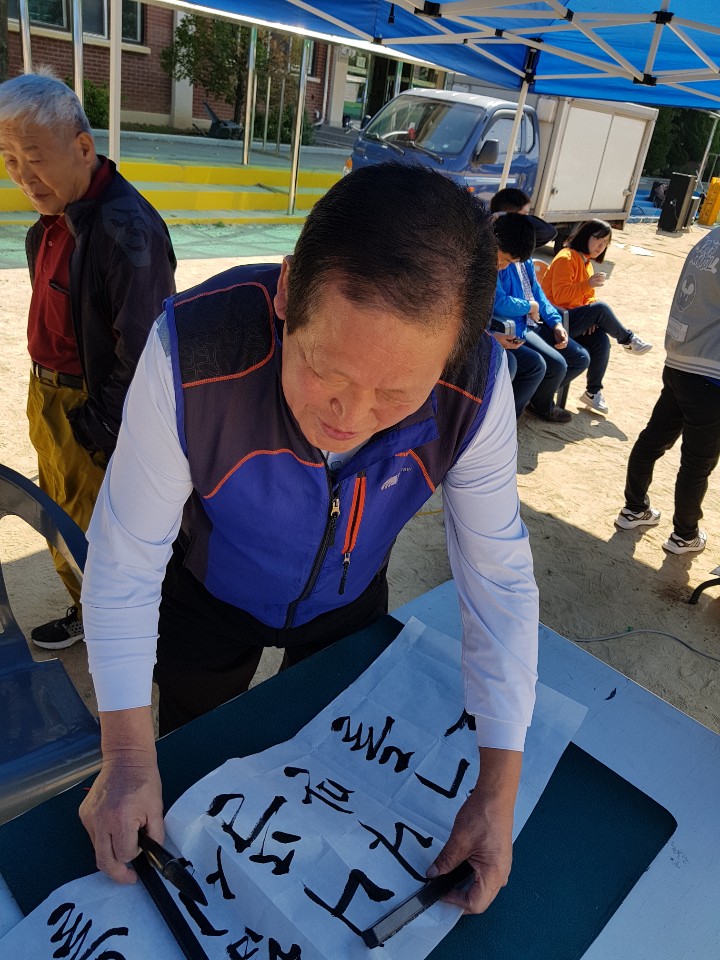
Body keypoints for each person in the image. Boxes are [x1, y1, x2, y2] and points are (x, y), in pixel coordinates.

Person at [78, 163, 539, 917]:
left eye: (397, 395)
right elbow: (126, 560)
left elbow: (499, 582)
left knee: (329, 773)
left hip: (348, 604)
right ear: (289, 291)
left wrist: (497, 792)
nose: (348, 418)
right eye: (325, 370)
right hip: (207, 595)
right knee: (192, 758)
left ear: (454, 351)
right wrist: (126, 757)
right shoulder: (192, 352)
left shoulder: (475, 390)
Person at [0, 70, 176, 650]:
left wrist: (96, 426)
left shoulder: (127, 229)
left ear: (82, 147)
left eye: (34, 159)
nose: (23, 176)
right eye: (9, 160)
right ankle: (87, 611)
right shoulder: (52, 222)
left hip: (91, 408)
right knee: (58, 510)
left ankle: (120, 634)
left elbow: (147, 346)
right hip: (48, 395)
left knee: (98, 530)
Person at [615, 226, 720, 555]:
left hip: (679, 358)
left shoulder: (709, 238)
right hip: (711, 369)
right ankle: (684, 535)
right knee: (697, 463)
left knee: (653, 439)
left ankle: (634, 508)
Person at [541, 219, 652, 416]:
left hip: (571, 318)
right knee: (600, 309)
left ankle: (593, 392)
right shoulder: (567, 257)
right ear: (585, 236)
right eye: (598, 240)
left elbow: (589, 297)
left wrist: (590, 317)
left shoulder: (586, 263)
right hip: (554, 319)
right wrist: (588, 288)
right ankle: (628, 339)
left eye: (606, 243)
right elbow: (560, 296)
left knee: (601, 338)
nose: (601, 247)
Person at [492, 213, 590, 423]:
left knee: (579, 357)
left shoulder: (521, 259)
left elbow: (538, 294)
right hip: (511, 325)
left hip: (529, 322)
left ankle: (537, 403)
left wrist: (555, 322)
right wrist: (530, 307)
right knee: (542, 365)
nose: (505, 265)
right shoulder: (493, 262)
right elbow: (499, 302)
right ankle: (508, 421)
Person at [489, 186, 558, 249]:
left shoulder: (520, 237)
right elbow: (549, 231)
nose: (527, 217)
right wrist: (509, 215)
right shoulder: (496, 238)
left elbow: (550, 232)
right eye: (525, 214)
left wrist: (505, 214)